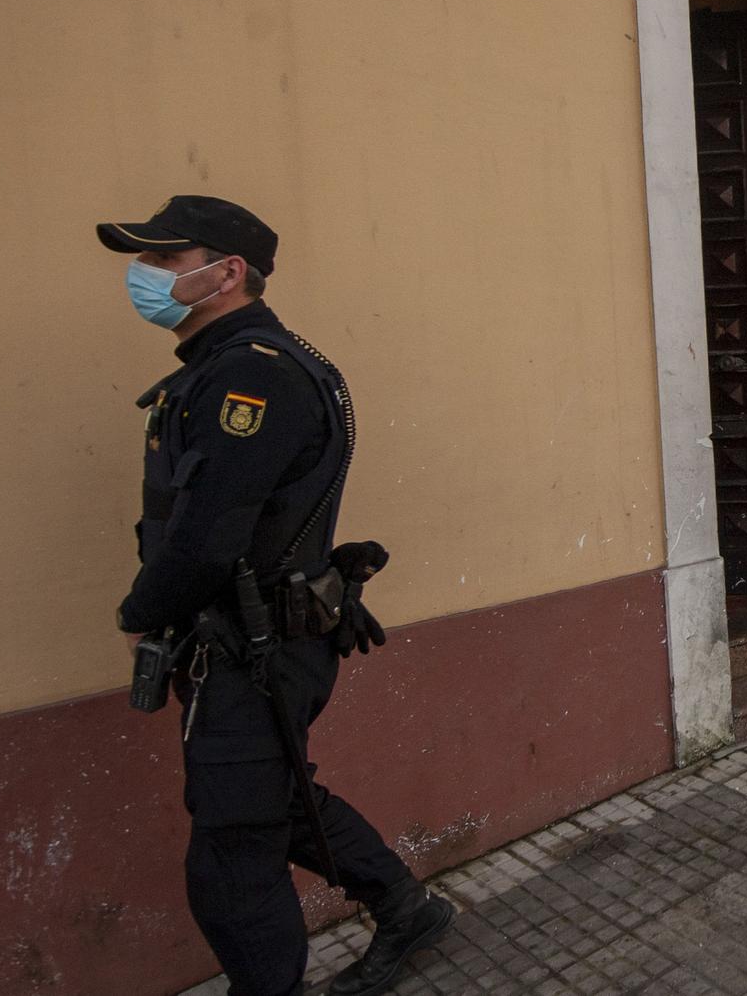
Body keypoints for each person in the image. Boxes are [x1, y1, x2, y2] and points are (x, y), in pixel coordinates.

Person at [100, 196, 452, 996]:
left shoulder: (251, 377)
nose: (144, 274)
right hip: (254, 641)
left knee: (229, 860)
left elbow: (207, 533)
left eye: (162, 259)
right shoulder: (239, 367)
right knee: (273, 796)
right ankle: (405, 906)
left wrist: (139, 614)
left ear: (225, 273)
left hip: (255, 651)